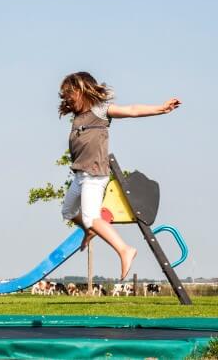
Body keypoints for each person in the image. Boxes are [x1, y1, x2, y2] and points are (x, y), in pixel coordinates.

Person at [58, 71, 181, 280]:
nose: (68, 100)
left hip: (95, 174)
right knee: (68, 211)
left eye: (70, 95)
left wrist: (161, 108)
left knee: (91, 217)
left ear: (82, 91)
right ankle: (90, 230)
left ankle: (124, 249)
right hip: (80, 174)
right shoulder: (78, 117)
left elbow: (132, 110)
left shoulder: (100, 110)